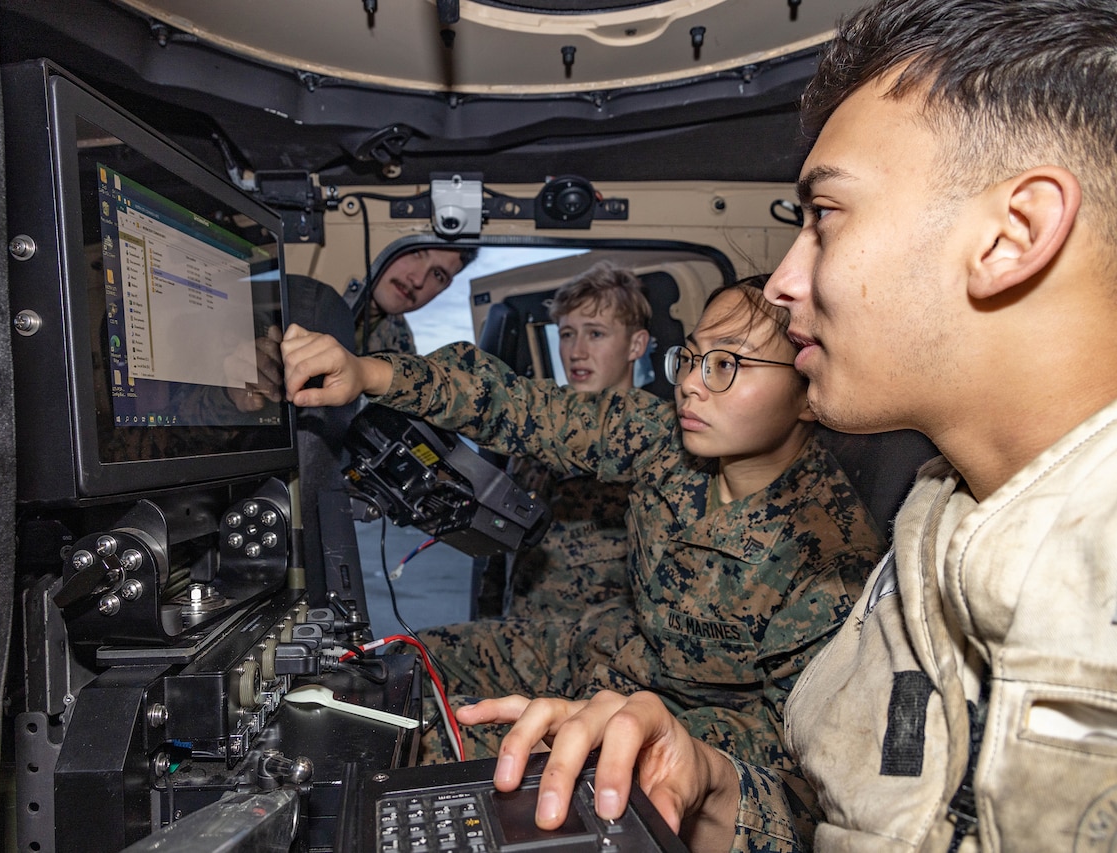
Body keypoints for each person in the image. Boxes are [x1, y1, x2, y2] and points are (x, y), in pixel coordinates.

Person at [440, 2, 1117, 851]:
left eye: (825, 216)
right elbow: (829, 809)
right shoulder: (928, 534)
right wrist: (709, 780)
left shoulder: (1038, 579)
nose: (788, 281)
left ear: (1012, 234)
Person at [281, 274, 886, 774]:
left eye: (727, 364)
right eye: (693, 358)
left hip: (670, 731)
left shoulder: (830, 558)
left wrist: (634, 732)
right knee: (390, 677)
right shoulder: (662, 441)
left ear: (811, 391)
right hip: (589, 650)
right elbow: (521, 408)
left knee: (412, 748)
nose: (693, 386)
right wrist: (369, 375)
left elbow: (791, 747)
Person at [494, 261, 653, 618]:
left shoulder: (656, 446)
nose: (576, 351)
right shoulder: (533, 438)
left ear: (635, 345)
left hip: (602, 657)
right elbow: (502, 558)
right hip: (518, 645)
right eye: (567, 334)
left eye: (595, 334)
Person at [350, 246, 478, 354]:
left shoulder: (401, 343)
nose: (418, 280)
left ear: (445, 287)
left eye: (437, 274)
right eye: (415, 252)